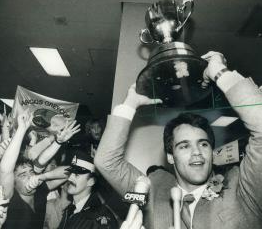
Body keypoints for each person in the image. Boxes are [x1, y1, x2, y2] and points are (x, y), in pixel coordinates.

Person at [94, 51, 262, 229]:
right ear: (170, 156)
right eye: (184, 146)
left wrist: (219, 72)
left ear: (212, 152)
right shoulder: (154, 188)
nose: (197, 152)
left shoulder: (241, 186)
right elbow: (106, 162)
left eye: (203, 144)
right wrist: (130, 104)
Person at [58, 151, 118, 229]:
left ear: (91, 181)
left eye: (76, 175)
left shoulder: (99, 217)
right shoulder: (70, 210)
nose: (69, 178)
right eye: (70, 173)